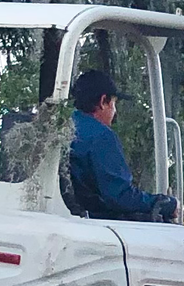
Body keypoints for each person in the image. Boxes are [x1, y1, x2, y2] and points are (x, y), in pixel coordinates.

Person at [68, 70, 178, 222]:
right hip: (97, 223)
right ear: (103, 101)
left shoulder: (63, 127)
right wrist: (167, 204)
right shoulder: (101, 136)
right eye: (113, 104)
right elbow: (120, 197)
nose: (115, 111)